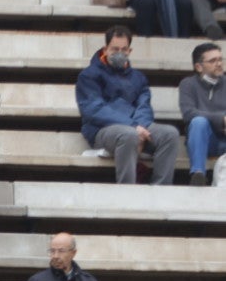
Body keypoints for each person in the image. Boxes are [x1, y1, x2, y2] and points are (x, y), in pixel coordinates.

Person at [75, 26, 181, 186]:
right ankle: (127, 190)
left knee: (169, 134)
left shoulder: (138, 77)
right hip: (102, 130)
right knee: (128, 135)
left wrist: (140, 125)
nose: (120, 53)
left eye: (124, 49)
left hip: (136, 126)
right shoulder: (89, 75)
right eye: (115, 48)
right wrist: (132, 126)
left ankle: (160, 189)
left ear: (129, 51)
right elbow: (94, 110)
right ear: (105, 49)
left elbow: (144, 106)